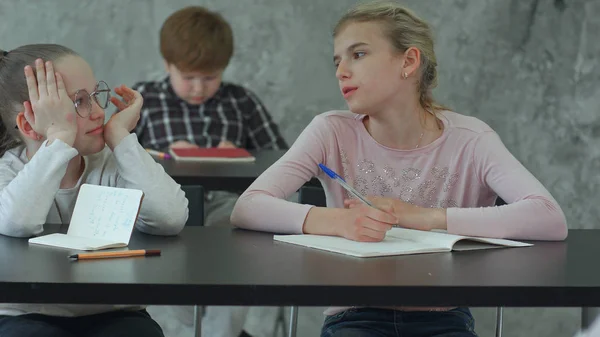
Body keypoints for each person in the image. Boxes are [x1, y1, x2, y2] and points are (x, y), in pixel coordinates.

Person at [230, 1, 568, 336]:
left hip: (445, 319)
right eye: (337, 60)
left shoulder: (472, 140)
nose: (340, 71)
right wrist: (338, 222)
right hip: (354, 317)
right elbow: (248, 207)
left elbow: (549, 217)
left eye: (358, 54)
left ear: (408, 61)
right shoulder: (330, 131)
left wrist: (425, 217)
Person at [0, 44, 188, 337]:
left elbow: (170, 218)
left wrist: (121, 139)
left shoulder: (115, 163)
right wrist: (59, 139)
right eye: (78, 103)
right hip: (24, 314)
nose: (99, 112)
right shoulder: (7, 172)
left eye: (95, 96)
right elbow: (16, 221)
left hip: (113, 314)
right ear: (29, 123)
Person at [131, 6, 287, 337]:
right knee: (172, 265)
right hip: (164, 209)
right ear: (167, 64)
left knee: (244, 249)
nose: (199, 88)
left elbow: (283, 160)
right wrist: (164, 158)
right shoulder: (144, 99)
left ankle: (221, 332)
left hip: (226, 207)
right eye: (188, 77)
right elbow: (117, 155)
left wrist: (244, 154)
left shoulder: (240, 101)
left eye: (210, 77)